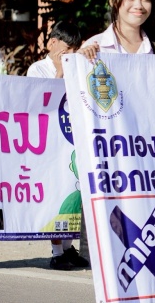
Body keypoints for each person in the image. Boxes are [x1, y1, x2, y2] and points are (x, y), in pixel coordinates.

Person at [26, 21, 90, 270]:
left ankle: (67, 246)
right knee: (56, 194)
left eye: (75, 50)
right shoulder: (37, 69)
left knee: (73, 192)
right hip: (50, 140)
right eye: (67, 49)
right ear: (52, 43)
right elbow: (41, 103)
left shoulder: (77, 67)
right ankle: (56, 252)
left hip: (73, 137)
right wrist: (61, 74)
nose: (71, 54)